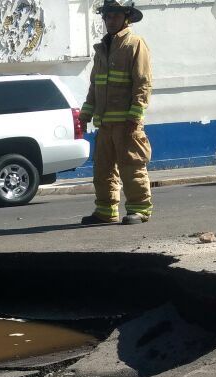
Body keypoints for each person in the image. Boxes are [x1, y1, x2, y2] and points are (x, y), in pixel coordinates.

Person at [79, 0, 153, 225]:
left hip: (126, 123)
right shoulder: (101, 48)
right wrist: (85, 115)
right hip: (105, 125)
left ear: (126, 17)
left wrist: (135, 116)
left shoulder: (135, 44)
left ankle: (140, 210)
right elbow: (95, 85)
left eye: (115, 16)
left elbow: (143, 83)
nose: (110, 20)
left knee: (132, 166)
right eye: (107, 16)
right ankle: (106, 211)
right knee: (103, 170)